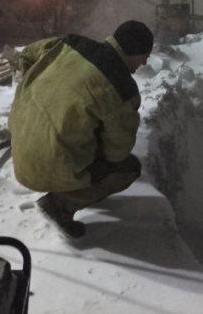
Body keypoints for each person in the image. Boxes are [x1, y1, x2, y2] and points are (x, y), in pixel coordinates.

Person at [8, 20, 153, 238]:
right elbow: (117, 153)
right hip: (44, 167)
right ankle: (59, 205)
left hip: (19, 146)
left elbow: (27, 54)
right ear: (134, 52)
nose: (144, 63)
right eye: (144, 56)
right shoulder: (122, 90)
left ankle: (73, 181)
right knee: (127, 168)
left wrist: (30, 88)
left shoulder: (70, 43)